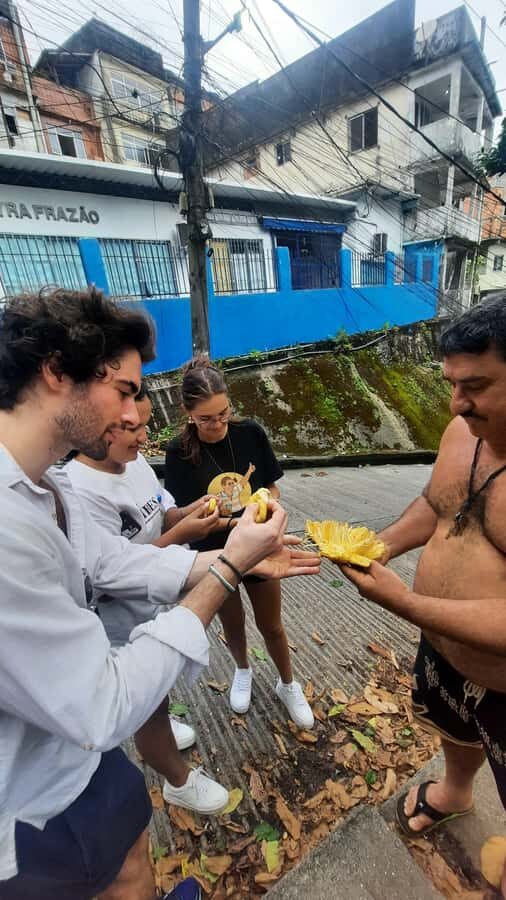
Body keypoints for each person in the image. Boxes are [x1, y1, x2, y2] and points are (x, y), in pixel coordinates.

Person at [0, 287, 320, 900]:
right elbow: (102, 702)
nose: (132, 416)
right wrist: (227, 573)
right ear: (55, 373)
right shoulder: (17, 520)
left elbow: (115, 562)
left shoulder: (44, 488)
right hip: (32, 796)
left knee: (129, 858)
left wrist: (227, 556)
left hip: (73, 758)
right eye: (123, 390)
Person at [339, 294, 506, 898]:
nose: (456, 403)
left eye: (476, 386)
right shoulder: (465, 429)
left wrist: (405, 603)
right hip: (444, 654)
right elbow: (437, 504)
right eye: (452, 384)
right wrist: (378, 547)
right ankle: (456, 790)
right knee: (454, 730)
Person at [66, 383, 228, 814]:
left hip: (155, 602)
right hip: (118, 627)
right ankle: (178, 780)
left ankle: (156, 722)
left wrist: (194, 510)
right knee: (148, 709)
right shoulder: (79, 490)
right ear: (99, 426)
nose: (144, 433)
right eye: (130, 427)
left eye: (144, 422)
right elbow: (110, 573)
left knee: (157, 691)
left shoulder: (132, 463)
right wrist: (183, 537)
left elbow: (163, 511)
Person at [165, 356, 314, 729]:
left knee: (272, 625)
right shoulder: (178, 453)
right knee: (232, 623)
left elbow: (272, 485)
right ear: (187, 413)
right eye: (206, 419)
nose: (217, 425)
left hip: (260, 546)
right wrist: (228, 519)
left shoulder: (250, 434)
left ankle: (287, 683)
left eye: (223, 414)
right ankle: (243, 670)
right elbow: (186, 514)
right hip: (214, 553)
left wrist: (271, 502)